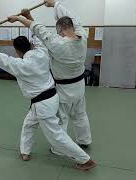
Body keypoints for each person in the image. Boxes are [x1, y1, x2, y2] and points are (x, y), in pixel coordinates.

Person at [0, 22, 96, 171]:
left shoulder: (21, 65)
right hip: (51, 98)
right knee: (28, 124)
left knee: (56, 136)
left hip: (42, 104)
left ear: (17, 51)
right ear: (30, 44)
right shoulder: (42, 52)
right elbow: (39, 36)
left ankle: (85, 160)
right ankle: (25, 151)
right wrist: (28, 18)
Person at [8, 0, 92, 155]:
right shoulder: (83, 35)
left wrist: (20, 18)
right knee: (80, 114)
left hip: (64, 88)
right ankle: (84, 140)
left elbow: (41, 32)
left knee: (62, 118)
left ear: (60, 29)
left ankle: (59, 149)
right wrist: (55, 4)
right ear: (72, 27)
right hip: (80, 84)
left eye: (57, 30)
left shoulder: (59, 44)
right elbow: (72, 17)